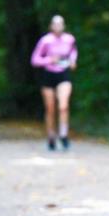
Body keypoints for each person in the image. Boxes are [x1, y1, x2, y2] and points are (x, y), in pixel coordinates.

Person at [30, 14, 78, 151]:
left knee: (63, 106)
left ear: (64, 26)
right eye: (55, 24)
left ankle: (63, 134)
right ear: (51, 26)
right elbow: (35, 60)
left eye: (60, 24)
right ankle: (51, 135)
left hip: (64, 74)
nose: (58, 27)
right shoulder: (45, 41)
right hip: (48, 74)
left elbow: (73, 52)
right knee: (50, 108)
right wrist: (50, 60)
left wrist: (73, 61)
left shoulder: (70, 39)